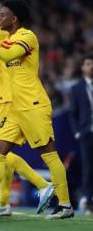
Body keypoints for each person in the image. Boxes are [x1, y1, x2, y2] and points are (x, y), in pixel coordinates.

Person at [0, 0, 74, 219]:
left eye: (3, 15)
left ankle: (65, 204)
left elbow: (6, 55)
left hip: (33, 104)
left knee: (49, 154)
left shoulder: (27, 37)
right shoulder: (7, 39)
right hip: (13, 107)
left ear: (14, 18)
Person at [69, 53, 93, 214]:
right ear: (83, 67)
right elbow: (73, 112)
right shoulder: (76, 88)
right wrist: (77, 131)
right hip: (86, 132)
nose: (91, 67)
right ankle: (86, 198)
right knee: (87, 167)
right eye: (88, 64)